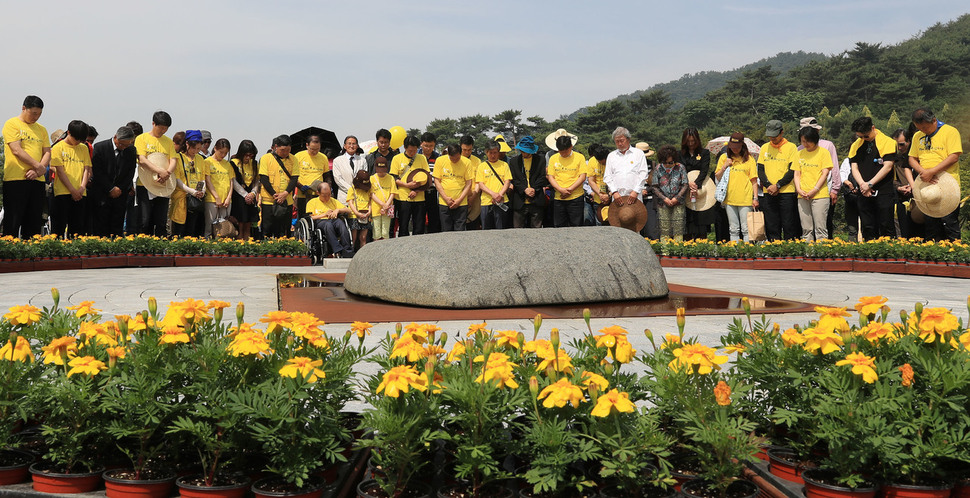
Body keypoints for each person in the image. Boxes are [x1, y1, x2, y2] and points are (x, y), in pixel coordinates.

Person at [908, 107, 963, 241]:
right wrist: (923, 172)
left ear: (934, 120)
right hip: (927, 184)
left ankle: (954, 255)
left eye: (925, 128)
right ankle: (933, 255)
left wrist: (932, 171)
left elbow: (954, 156)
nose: (922, 131)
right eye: (919, 128)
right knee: (931, 225)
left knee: (949, 223)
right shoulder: (917, 136)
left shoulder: (950, 131)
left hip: (947, 184)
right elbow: (911, 158)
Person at [2, 95, 51, 238]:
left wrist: (38, 171)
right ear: (24, 108)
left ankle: (31, 256)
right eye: (34, 113)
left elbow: (47, 151)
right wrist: (38, 166)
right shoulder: (12, 124)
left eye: (39, 114)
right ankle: (10, 256)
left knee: (34, 221)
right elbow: (16, 150)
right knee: (13, 219)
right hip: (16, 179)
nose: (36, 117)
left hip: (37, 181)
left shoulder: (41, 129)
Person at [848, 116, 896, 240]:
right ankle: (869, 253)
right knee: (868, 225)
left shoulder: (888, 142)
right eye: (860, 137)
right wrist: (863, 185)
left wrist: (870, 184)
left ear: (873, 128)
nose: (863, 139)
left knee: (886, 223)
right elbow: (854, 168)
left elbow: (888, 166)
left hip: (883, 190)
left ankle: (889, 253)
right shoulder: (856, 145)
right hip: (863, 192)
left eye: (866, 136)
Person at [134, 111, 177, 236]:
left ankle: (160, 250)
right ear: (153, 124)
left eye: (166, 128)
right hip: (145, 184)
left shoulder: (168, 142)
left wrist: (167, 173)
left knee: (161, 221)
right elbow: (141, 159)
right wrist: (160, 171)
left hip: (163, 184)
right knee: (144, 220)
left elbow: (173, 160)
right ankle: (144, 248)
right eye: (161, 128)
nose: (163, 131)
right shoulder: (141, 138)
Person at [797, 118, 841, 240]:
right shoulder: (799, 149)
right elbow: (797, 173)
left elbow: (834, 169)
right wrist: (799, 189)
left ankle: (823, 252)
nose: (806, 143)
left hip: (822, 191)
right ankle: (809, 253)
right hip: (803, 193)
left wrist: (835, 189)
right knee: (806, 227)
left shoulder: (827, 146)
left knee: (823, 224)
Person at [89, 125, 136, 237]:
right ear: (116, 137)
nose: (124, 147)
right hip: (102, 194)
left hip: (120, 194)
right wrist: (110, 188)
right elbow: (98, 171)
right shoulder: (100, 147)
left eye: (127, 145)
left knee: (117, 227)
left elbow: (130, 172)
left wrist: (120, 188)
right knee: (101, 226)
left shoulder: (131, 150)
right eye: (122, 144)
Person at [757, 120, 799, 241]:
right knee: (771, 224)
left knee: (788, 223)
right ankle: (774, 249)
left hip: (786, 192)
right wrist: (769, 185)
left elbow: (792, 170)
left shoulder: (791, 147)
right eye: (770, 135)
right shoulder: (765, 147)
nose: (772, 138)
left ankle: (789, 249)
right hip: (768, 191)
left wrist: (778, 185)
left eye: (775, 136)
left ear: (782, 132)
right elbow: (760, 169)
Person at [50, 120, 92, 238]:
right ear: (68, 133)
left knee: (77, 228)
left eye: (80, 140)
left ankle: (75, 255)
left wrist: (82, 187)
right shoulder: (58, 147)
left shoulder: (83, 148)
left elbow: (87, 169)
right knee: (59, 226)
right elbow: (60, 171)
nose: (78, 142)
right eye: (76, 138)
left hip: (80, 193)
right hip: (62, 192)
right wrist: (72, 190)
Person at [715, 132, 759, 242]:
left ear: (742, 146)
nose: (735, 149)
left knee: (746, 229)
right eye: (732, 147)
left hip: (745, 199)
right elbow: (717, 176)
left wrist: (755, 198)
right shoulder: (724, 158)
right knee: (733, 229)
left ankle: (746, 252)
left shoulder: (749, 159)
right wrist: (725, 165)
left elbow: (754, 181)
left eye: (737, 147)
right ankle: (735, 252)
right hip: (729, 199)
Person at [258, 134, 300, 238]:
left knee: (284, 229)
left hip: (287, 200)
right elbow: (264, 179)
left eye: (288, 150)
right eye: (282, 150)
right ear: (276, 147)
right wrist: (275, 195)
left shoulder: (293, 159)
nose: (285, 153)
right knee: (267, 227)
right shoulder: (266, 158)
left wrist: (285, 194)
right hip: (269, 199)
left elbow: (294, 178)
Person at [171, 130, 207, 237]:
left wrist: (202, 191)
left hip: (195, 201)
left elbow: (202, 178)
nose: (195, 151)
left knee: (192, 230)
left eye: (198, 149)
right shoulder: (178, 158)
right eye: (194, 148)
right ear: (187, 144)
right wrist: (192, 191)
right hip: (181, 198)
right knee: (179, 229)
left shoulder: (200, 159)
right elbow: (177, 180)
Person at [508, 136, 549, 228]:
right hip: (519, 200)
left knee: (536, 228)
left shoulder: (540, 159)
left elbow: (542, 177)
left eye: (525, 151)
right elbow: (514, 179)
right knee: (518, 230)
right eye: (522, 151)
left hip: (536, 199)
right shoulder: (514, 161)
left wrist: (533, 189)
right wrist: (524, 189)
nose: (523, 153)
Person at [547, 135, 588, 227]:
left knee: (576, 225)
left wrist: (570, 190)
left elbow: (582, 177)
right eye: (561, 151)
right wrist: (560, 189)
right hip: (559, 197)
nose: (563, 154)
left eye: (566, 151)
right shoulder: (553, 158)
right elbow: (551, 177)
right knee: (559, 226)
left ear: (571, 147)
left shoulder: (579, 157)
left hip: (576, 198)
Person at [305, 182, 353, 258]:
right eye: (324, 195)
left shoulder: (333, 201)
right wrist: (325, 214)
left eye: (329, 194)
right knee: (328, 225)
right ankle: (337, 250)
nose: (327, 197)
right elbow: (310, 218)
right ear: (318, 193)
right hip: (320, 221)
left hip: (333, 220)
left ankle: (347, 250)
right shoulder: (312, 202)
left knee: (340, 223)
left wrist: (337, 210)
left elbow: (348, 210)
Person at [651, 145, 688, 241]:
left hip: (678, 202)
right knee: (664, 229)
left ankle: (678, 251)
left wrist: (677, 198)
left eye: (671, 162)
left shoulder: (680, 167)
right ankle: (665, 251)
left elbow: (685, 185)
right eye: (665, 163)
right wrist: (664, 199)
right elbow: (655, 187)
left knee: (678, 228)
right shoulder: (658, 168)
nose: (668, 165)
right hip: (663, 203)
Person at [604, 127, 649, 206]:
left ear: (628, 139)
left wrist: (636, 191)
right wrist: (614, 192)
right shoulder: (611, 156)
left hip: (635, 196)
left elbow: (643, 174)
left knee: (636, 217)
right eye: (617, 141)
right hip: (618, 197)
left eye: (622, 140)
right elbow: (607, 176)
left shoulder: (638, 153)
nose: (620, 144)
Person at [681, 128, 713, 240]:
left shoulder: (704, 153)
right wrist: (687, 183)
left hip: (701, 189)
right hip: (685, 189)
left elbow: (704, 170)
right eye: (688, 141)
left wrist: (695, 184)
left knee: (701, 222)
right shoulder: (680, 154)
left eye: (693, 141)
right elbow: (680, 170)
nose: (691, 144)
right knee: (687, 223)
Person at [432, 144, 472, 231]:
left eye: (457, 158)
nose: (454, 160)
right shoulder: (440, 160)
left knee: (460, 230)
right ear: (448, 154)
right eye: (452, 158)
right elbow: (437, 181)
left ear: (461, 154)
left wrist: (459, 200)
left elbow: (468, 183)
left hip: (461, 203)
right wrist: (446, 198)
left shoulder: (467, 162)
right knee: (446, 230)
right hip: (444, 202)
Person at [891, 128, 922, 239]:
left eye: (902, 144)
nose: (900, 148)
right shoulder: (895, 161)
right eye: (897, 146)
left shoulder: (922, 157)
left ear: (910, 141)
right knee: (905, 234)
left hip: (922, 199)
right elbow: (891, 180)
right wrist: (899, 188)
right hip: (903, 201)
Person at [477, 140, 513, 229]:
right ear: (486, 152)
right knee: (487, 228)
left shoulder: (504, 165)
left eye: (495, 153)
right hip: (486, 202)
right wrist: (493, 194)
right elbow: (480, 184)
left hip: (501, 201)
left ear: (498, 152)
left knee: (501, 228)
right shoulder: (482, 166)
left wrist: (500, 195)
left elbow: (507, 181)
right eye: (490, 153)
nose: (493, 155)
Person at [229, 140, 260, 240]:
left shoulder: (254, 163)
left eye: (250, 155)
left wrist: (253, 193)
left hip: (251, 197)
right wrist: (245, 195)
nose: (248, 158)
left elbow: (257, 181)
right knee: (240, 224)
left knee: (248, 224)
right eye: (246, 155)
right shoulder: (233, 163)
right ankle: (239, 245)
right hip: (239, 197)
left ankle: (248, 244)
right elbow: (233, 182)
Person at [203, 138, 233, 237]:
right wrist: (216, 197)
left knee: (223, 227)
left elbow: (231, 181)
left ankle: (221, 249)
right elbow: (208, 180)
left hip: (226, 201)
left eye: (226, 153)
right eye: (221, 152)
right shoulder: (208, 162)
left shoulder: (227, 164)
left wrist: (228, 198)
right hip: (212, 199)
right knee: (209, 226)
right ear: (215, 148)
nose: (223, 155)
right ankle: (208, 249)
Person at [294, 135, 330, 215]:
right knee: (304, 216)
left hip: (318, 194)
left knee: (318, 216)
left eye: (317, 149)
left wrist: (328, 188)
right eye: (312, 149)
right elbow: (293, 176)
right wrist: (300, 186)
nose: (315, 152)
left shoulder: (323, 157)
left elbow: (327, 176)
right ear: (307, 145)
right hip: (302, 194)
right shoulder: (298, 156)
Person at [331, 135, 365, 205]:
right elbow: (338, 179)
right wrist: (351, 190)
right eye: (349, 144)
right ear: (344, 146)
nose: (351, 146)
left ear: (357, 146)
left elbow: (364, 176)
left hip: (360, 197)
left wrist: (358, 190)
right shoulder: (337, 161)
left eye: (354, 144)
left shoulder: (362, 160)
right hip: (344, 197)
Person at [369, 156, 396, 241]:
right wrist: (382, 204)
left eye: (383, 169)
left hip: (387, 208)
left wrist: (386, 205)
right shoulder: (372, 178)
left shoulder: (390, 178)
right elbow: (372, 194)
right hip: (376, 208)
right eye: (379, 169)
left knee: (385, 231)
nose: (381, 172)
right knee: (376, 232)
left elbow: (393, 192)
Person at [459, 135, 483, 230]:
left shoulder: (477, 161)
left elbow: (479, 180)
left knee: (473, 224)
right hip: (459, 196)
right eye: (464, 150)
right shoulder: (456, 159)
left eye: (469, 150)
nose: (467, 152)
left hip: (474, 196)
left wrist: (473, 196)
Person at [420, 132, 441, 233]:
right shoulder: (416, 156)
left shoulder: (439, 158)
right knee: (419, 219)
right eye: (426, 146)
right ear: (421, 144)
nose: (428, 148)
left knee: (434, 219)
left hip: (434, 192)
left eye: (431, 146)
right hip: (419, 192)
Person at [346, 170, 373, 250]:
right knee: (353, 237)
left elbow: (370, 202)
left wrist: (369, 211)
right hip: (354, 215)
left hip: (365, 215)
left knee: (363, 237)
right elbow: (350, 203)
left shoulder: (368, 190)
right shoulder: (352, 189)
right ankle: (351, 251)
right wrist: (357, 213)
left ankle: (363, 254)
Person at [585, 144, 610, 226]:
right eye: (599, 162)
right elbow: (591, 180)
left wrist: (609, 195)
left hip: (613, 198)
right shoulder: (592, 161)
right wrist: (600, 194)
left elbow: (618, 180)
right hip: (598, 199)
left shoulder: (613, 160)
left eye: (603, 162)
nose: (601, 163)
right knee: (599, 223)